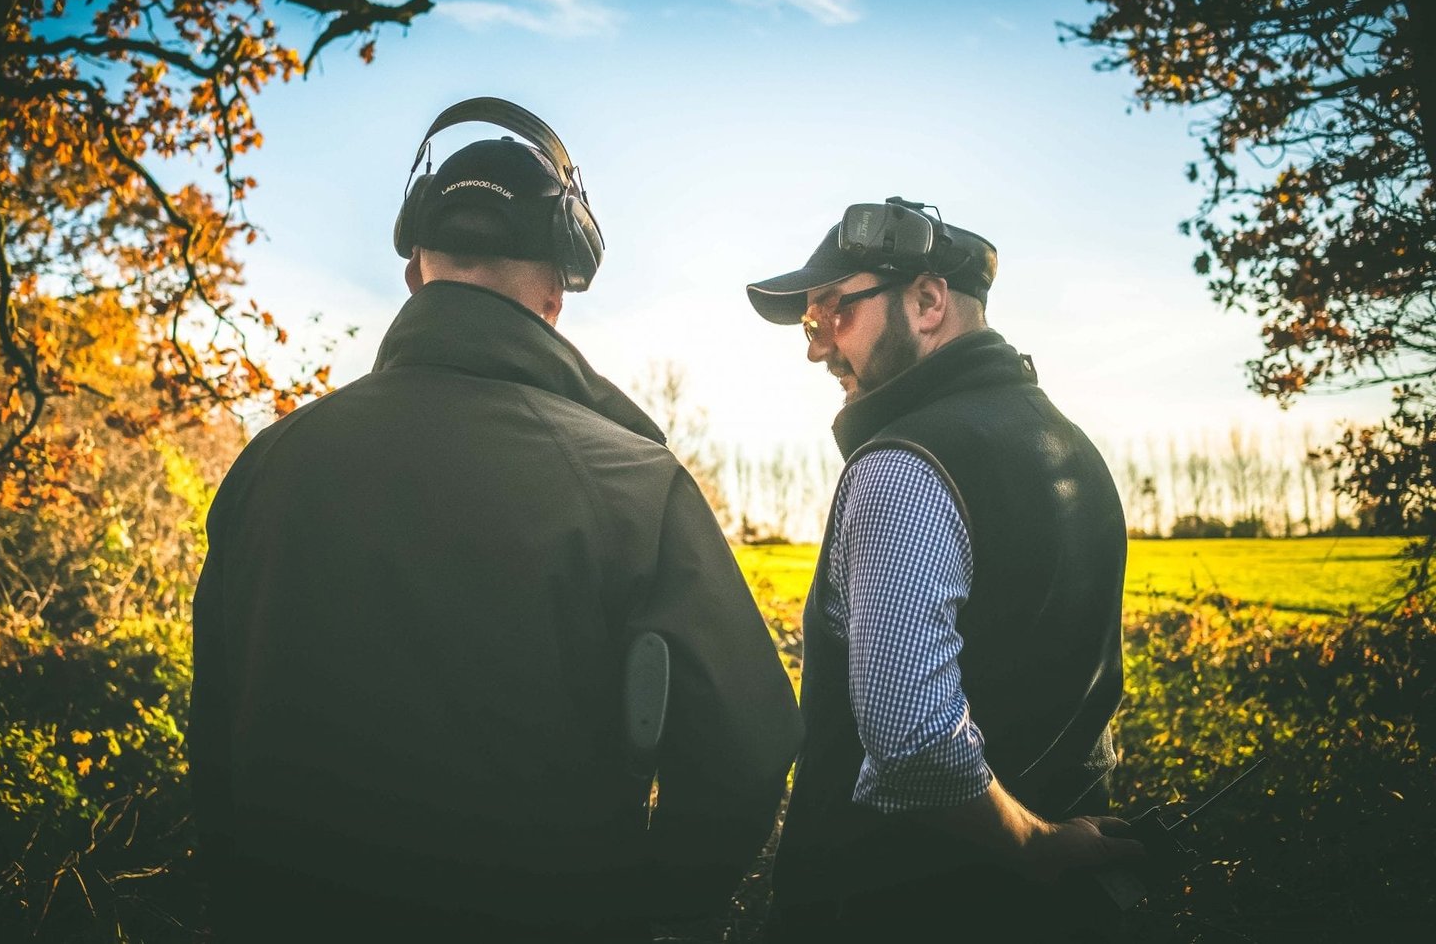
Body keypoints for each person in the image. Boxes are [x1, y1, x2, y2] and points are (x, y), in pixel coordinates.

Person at [191, 98, 801, 943]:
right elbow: (745, 752)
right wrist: (642, 899)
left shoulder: (268, 464)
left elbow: (214, 746)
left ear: (415, 271)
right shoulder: (637, 483)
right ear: (558, 287)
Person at [745, 198, 1141, 941]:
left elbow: (914, 741)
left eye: (833, 312)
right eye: (809, 322)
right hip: (1070, 908)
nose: (816, 347)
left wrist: (1033, 844)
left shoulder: (901, 466)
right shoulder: (1072, 447)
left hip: (890, 905)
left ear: (927, 301)